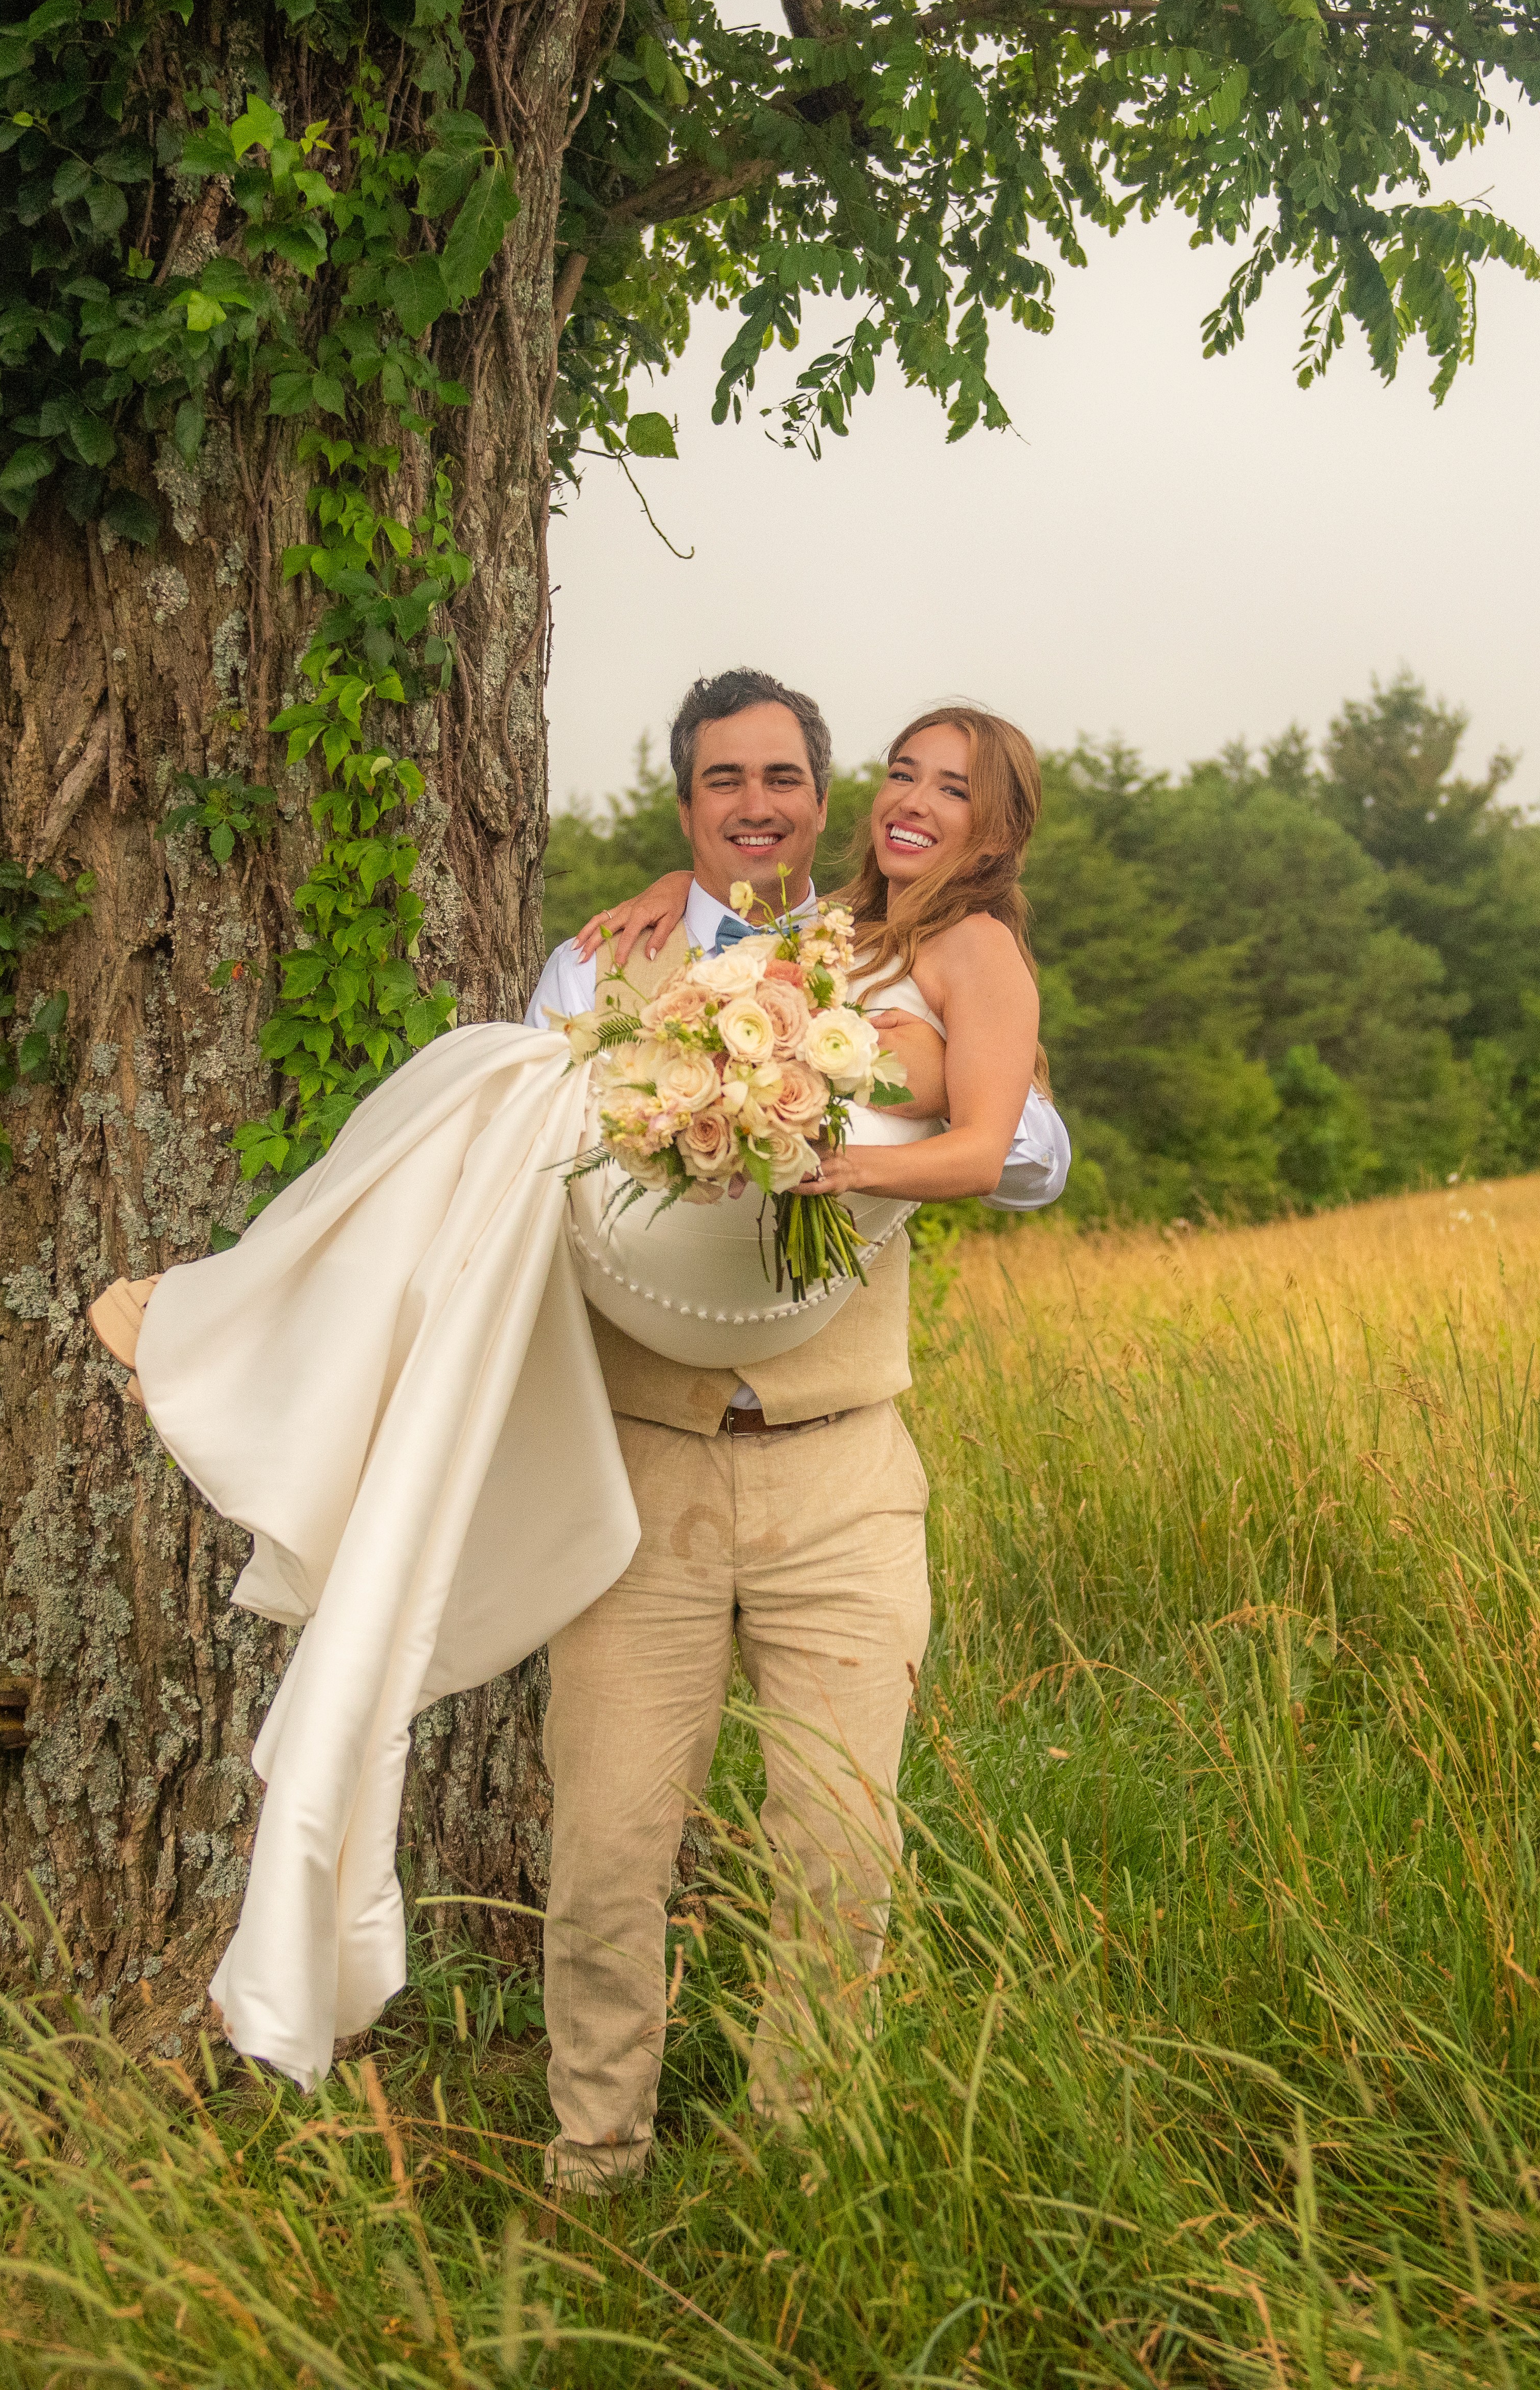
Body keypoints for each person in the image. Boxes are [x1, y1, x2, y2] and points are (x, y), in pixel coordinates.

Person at [527, 675, 1067, 2193]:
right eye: (721, 783)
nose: (754, 804)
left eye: (784, 777)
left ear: (819, 803)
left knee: (840, 1850)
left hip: (842, 1464)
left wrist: (846, 1107)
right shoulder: (600, 970)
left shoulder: (892, 961)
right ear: (685, 805)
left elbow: (1032, 1153)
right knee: (611, 1851)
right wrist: (692, 929)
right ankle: (595, 2164)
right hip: (643, 1467)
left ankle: (802, 2171)